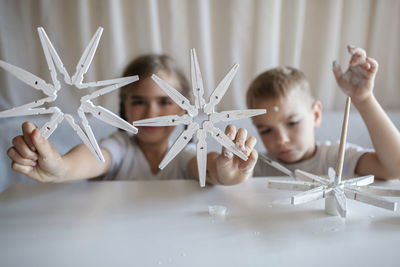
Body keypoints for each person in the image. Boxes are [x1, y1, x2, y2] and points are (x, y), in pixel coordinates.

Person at [7, 54, 258, 185]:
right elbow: (93, 158)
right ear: (124, 107)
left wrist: (229, 174)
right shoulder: (120, 148)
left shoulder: (185, 155)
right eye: (139, 102)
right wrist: (59, 167)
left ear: (185, 109)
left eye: (165, 101)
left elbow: (209, 168)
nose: (151, 114)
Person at [246, 45, 400, 180]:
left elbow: (395, 168)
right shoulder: (253, 166)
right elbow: (225, 177)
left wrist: (364, 100)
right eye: (266, 130)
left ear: (316, 115)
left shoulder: (337, 158)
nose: (281, 139)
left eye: (292, 123)